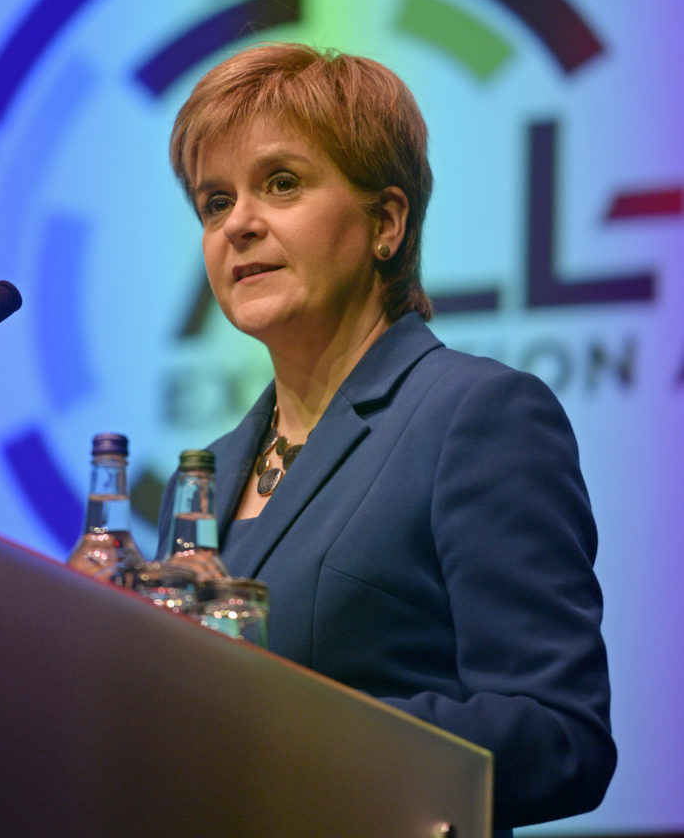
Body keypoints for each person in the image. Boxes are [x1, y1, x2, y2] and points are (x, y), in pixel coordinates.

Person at [156, 42, 616, 831]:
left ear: (387, 223)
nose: (241, 225)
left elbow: (559, 734)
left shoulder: (475, 416)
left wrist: (298, 739)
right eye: (215, 202)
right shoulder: (205, 475)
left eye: (282, 183)